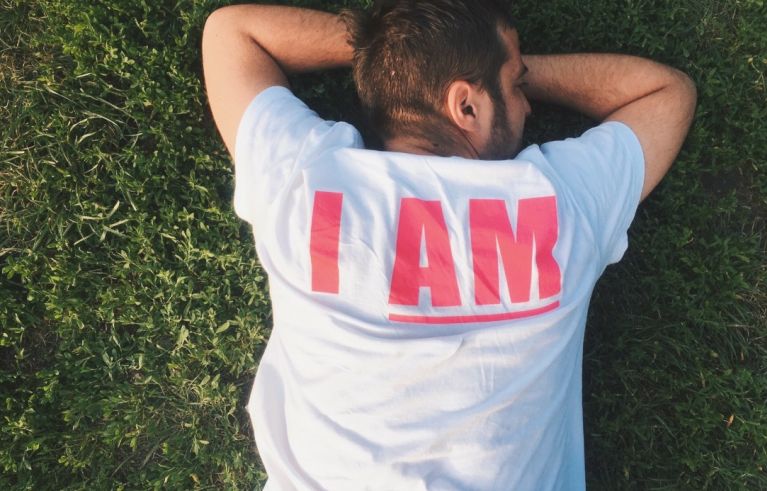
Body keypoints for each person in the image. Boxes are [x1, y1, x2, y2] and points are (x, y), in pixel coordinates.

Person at [201, 0, 696, 489]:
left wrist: (405, 58)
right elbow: (666, 93)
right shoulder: (558, 201)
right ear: (466, 105)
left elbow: (233, 32)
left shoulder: (304, 178)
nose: (525, 104)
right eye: (517, 85)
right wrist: (479, 63)